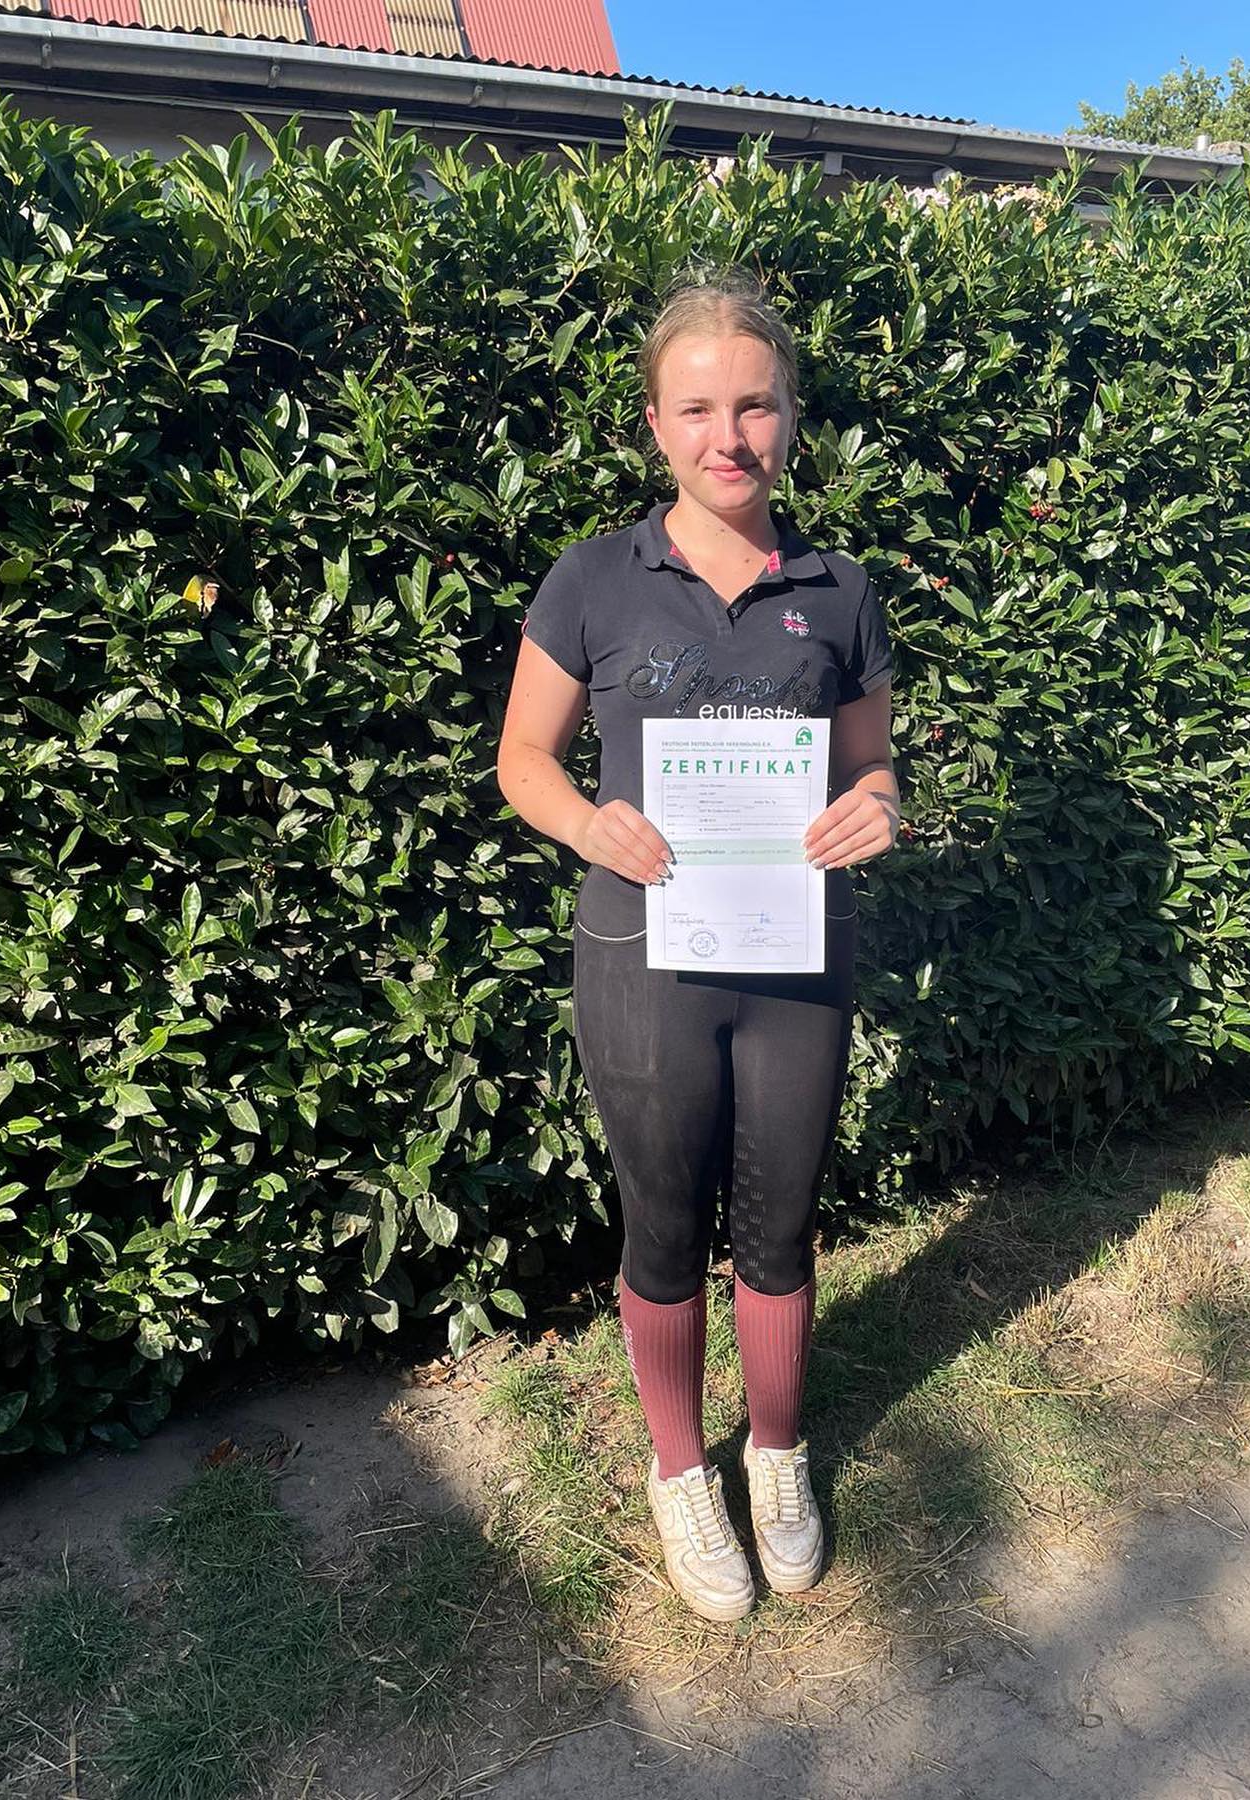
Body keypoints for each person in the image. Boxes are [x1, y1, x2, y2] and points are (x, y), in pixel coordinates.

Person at [496, 269, 898, 1622]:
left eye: (756, 406)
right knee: (664, 1224)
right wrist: (589, 823)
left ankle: (776, 1454)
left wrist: (878, 807)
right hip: (644, 957)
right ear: (658, 426)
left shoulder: (839, 592)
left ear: (792, 418)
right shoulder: (594, 579)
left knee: (780, 1223)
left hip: (794, 959)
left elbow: (872, 767)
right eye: (698, 409)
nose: (730, 437)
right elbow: (523, 759)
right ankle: (682, 1468)